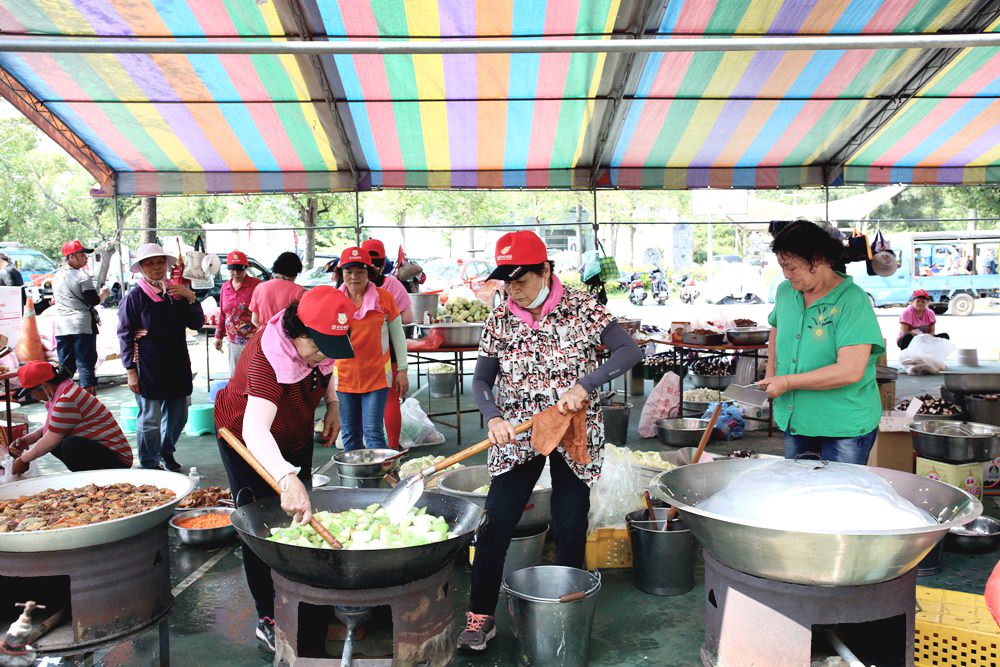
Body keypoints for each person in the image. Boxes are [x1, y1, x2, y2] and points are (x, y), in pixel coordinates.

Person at [458, 231, 642, 652]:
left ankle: (566, 607)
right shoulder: (501, 316)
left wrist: (586, 384)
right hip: (518, 432)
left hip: (574, 428)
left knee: (570, 521)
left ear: (545, 270)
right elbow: (482, 380)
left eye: (521, 279)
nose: (513, 290)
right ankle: (481, 617)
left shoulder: (581, 307)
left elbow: (628, 352)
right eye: (506, 281)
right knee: (494, 523)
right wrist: (493, 416)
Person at [214, 286, 354, 652]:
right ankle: (267, 614)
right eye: (319, 346)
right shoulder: (266, 358)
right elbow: (255, 430)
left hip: (293, 431)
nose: (324, 355)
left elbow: (327, 367)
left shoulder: (319, 345)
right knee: (259, 524)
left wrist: (333, 404)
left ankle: (304, 597)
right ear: (298, 332)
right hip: (245, 440)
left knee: (298, 513)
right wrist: (285, 476)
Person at [758, 221, 884, 465]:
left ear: (817, 259)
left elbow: (850, 370)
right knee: (800, 493)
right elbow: (777, 328)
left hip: (843, 425)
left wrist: (786, 382)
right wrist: (771, 372)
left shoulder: (852, 301)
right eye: (783, 267)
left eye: (791, 267)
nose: (786, 274)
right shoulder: (786, 292)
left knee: (837, 498)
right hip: (797, 420)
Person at [118, 243, 204, 471]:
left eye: (160, 263)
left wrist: (191, 297)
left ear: (166, 265)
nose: (156, 268)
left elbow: (196, 323)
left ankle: (166, 452)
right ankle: (149, 463)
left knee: (178, 417)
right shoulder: (135, 298)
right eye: (149, 263)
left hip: (177, 363)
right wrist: (130, 371)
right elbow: (125, 334)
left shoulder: (176, 293)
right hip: (148, 365)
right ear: (141, 268)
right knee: (150, 420)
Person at [333, 247, 409, 451]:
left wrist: (402, 369)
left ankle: (377, 481)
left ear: (370, 273)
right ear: (341, 274)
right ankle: (353, 481)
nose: (354, 277)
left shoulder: (384, 298)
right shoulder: (333, 300)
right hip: (344, 379)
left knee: (373, 432)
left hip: (377, 378)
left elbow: (398, 336)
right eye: (349, 272)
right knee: (350, 433)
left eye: (360, 271)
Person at [7, 360, 131, 474]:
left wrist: (24, 460)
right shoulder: (65, 389)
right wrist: (27, 440)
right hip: (102, 450)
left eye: (32, 393)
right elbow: (53, 426)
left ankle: (93, 477)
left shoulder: (67, 398)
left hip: (118, 458)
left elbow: (51, 437)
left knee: (68, 445)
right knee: (52, 442)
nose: (33, 397)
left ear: (44, 386)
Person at [362, 238, 414, 450]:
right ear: (384, 263)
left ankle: (364, 448)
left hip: (359, 352)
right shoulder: (392, 285)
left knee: (360, 398)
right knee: (390, 399)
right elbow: (408, 318)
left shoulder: (348, 285)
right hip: (388, 351)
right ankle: (392, 447)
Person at [52, 240, 109, 395]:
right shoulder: (82, 276)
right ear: (71, 257)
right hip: (81, 325)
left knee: (65, 365)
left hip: (62, 326)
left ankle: (62, 397)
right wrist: (103, 294)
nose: (86, 258)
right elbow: (93, 301)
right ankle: (90, 400)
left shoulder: (56, 276)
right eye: (82, 254)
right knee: (85, 363)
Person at [214, 250, 262, 374]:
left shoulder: (257, 285)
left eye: (239, 269)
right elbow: (223, 315)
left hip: (254, 341)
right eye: (232, 269)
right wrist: (218, 336)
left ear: (246, 268)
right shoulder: (225, 287)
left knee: (254, 376)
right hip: (233, 340)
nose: (236, 273)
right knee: (236, 377)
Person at [250, 252, 304, 327]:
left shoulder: (260, 287)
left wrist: (268, 330)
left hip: (265, 336)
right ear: (295, 273)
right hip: (288, 337)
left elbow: (255, 320)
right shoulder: (299, 291)